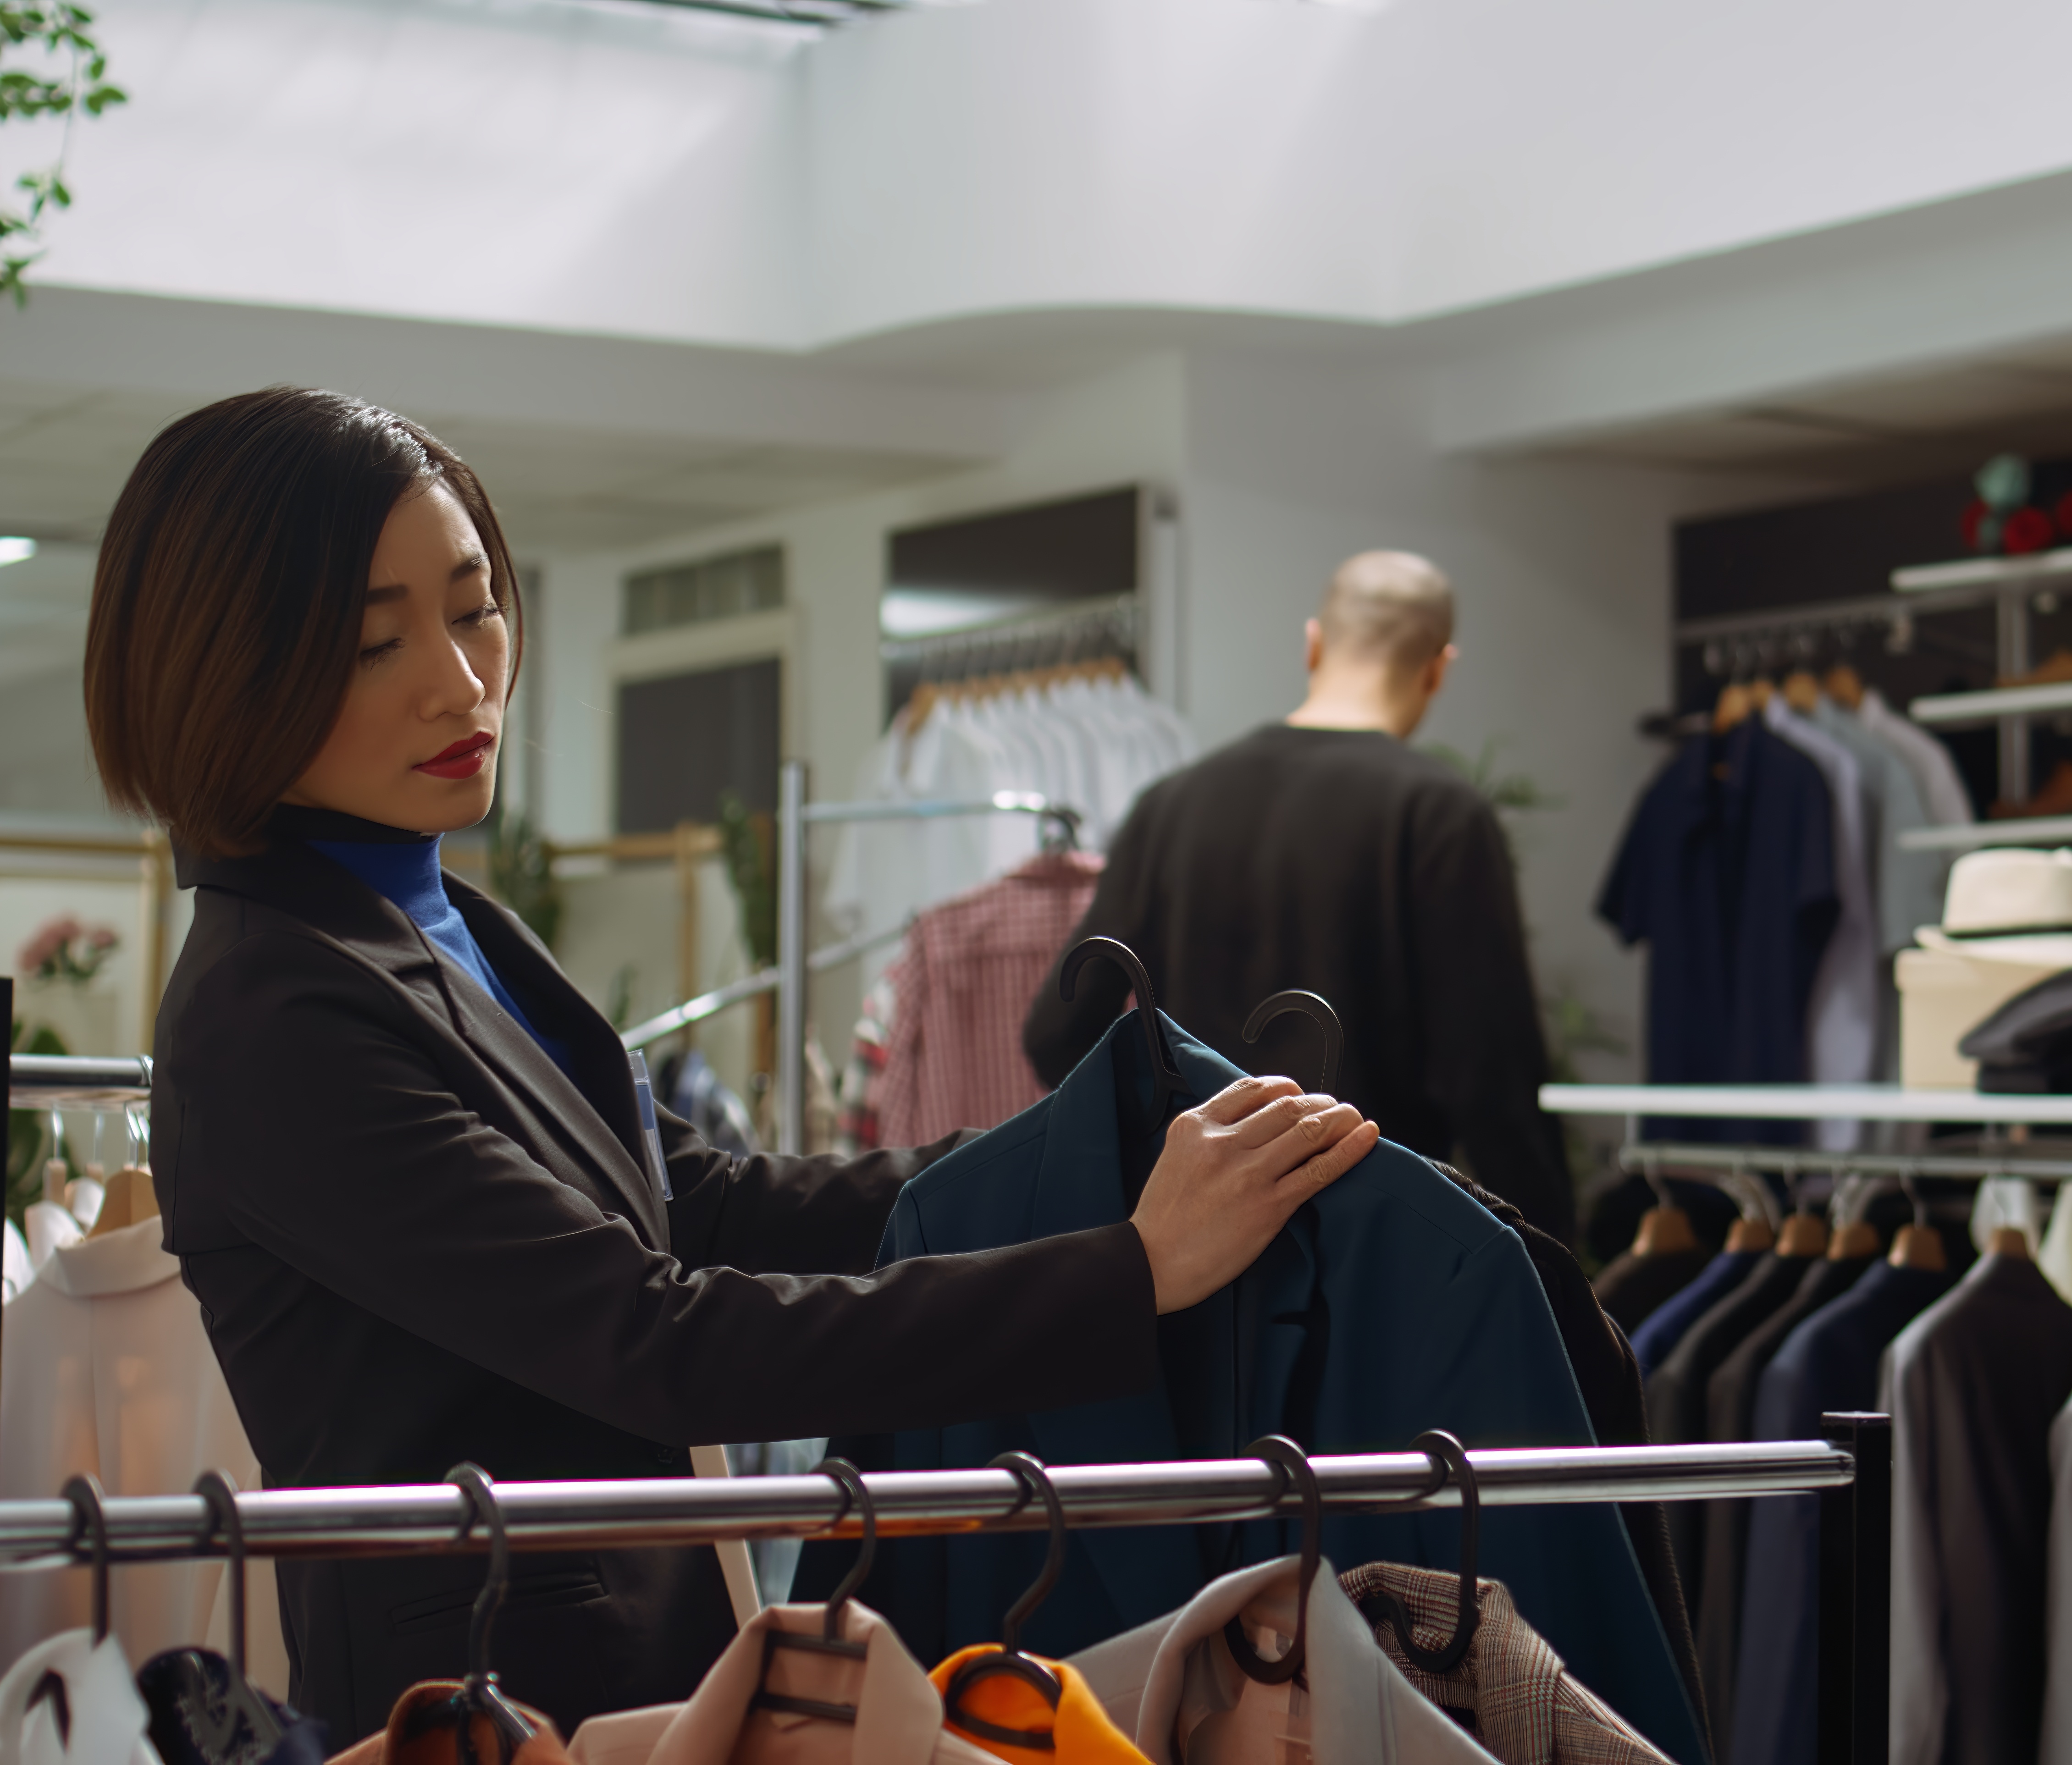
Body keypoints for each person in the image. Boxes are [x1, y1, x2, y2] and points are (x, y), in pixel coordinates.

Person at [88, 388, 1380, 1735]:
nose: (462, 680)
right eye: (371, 642)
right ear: (227, 671)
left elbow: (697, 1196)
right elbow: (653, 1336)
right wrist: (1130, 1271)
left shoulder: (437, 914)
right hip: (486, 1704)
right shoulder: (271, 1016)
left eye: (474, 609)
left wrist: (1085, 1158)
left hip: (627, 1658)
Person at [1021, 550, 1576, 1241]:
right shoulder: (1438, 814)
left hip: (1194, 1253)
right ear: (1438, 666)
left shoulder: (1171, 806)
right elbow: (1491, 1082)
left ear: (1314, 644)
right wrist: (1557, 1273)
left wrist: (1160, 1149)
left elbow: (1057, 1032)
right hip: (1372, 1251)